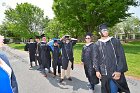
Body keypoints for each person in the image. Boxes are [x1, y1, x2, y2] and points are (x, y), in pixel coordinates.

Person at [93, 24, 130, 93]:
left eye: (107, 30)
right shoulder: (97, 44)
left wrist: (119, 71)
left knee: (113, 90)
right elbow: (95, 58)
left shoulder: (115, 41)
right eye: (104, 30)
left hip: (114, 72)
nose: (106, 31)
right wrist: (97, 70)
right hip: (104, 74)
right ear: (99, 32)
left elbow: (121, 56)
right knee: (105, 90)